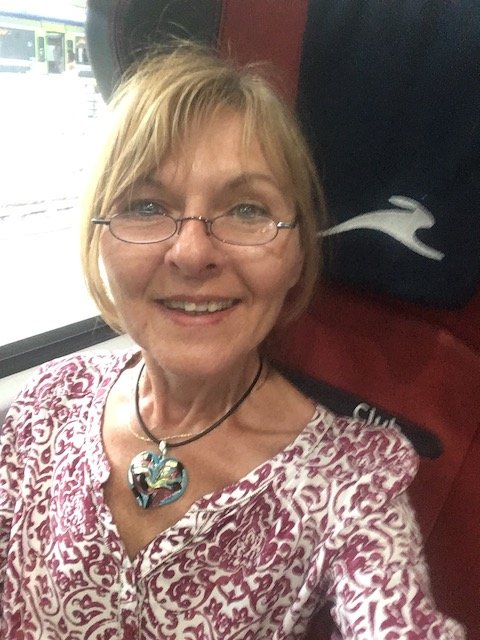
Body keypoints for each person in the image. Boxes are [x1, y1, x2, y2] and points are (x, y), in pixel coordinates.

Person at [0, 42, 465, 639]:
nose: (192, 253)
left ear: (297, 256)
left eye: (247, 210)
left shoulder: (349, 483)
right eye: (146, 205)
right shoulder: (46, 404)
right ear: (99, 241)